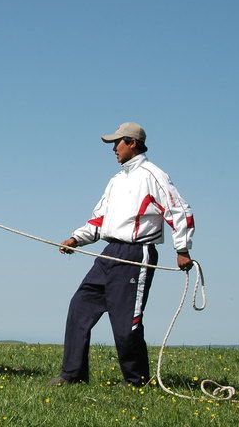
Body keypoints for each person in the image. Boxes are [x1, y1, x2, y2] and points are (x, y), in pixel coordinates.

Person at [49, 122, 194, 387]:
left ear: (132, 143)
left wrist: (182, 249)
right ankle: (72, 375)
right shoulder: (116, 180)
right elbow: (99, 219)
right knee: (79, 307)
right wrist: (76, 239)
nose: (114, 148)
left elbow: (179, 210)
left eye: (117, 142)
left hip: (136, 254)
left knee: (127, 323)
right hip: (109, 253)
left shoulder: (154, 175)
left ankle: (136, 380)